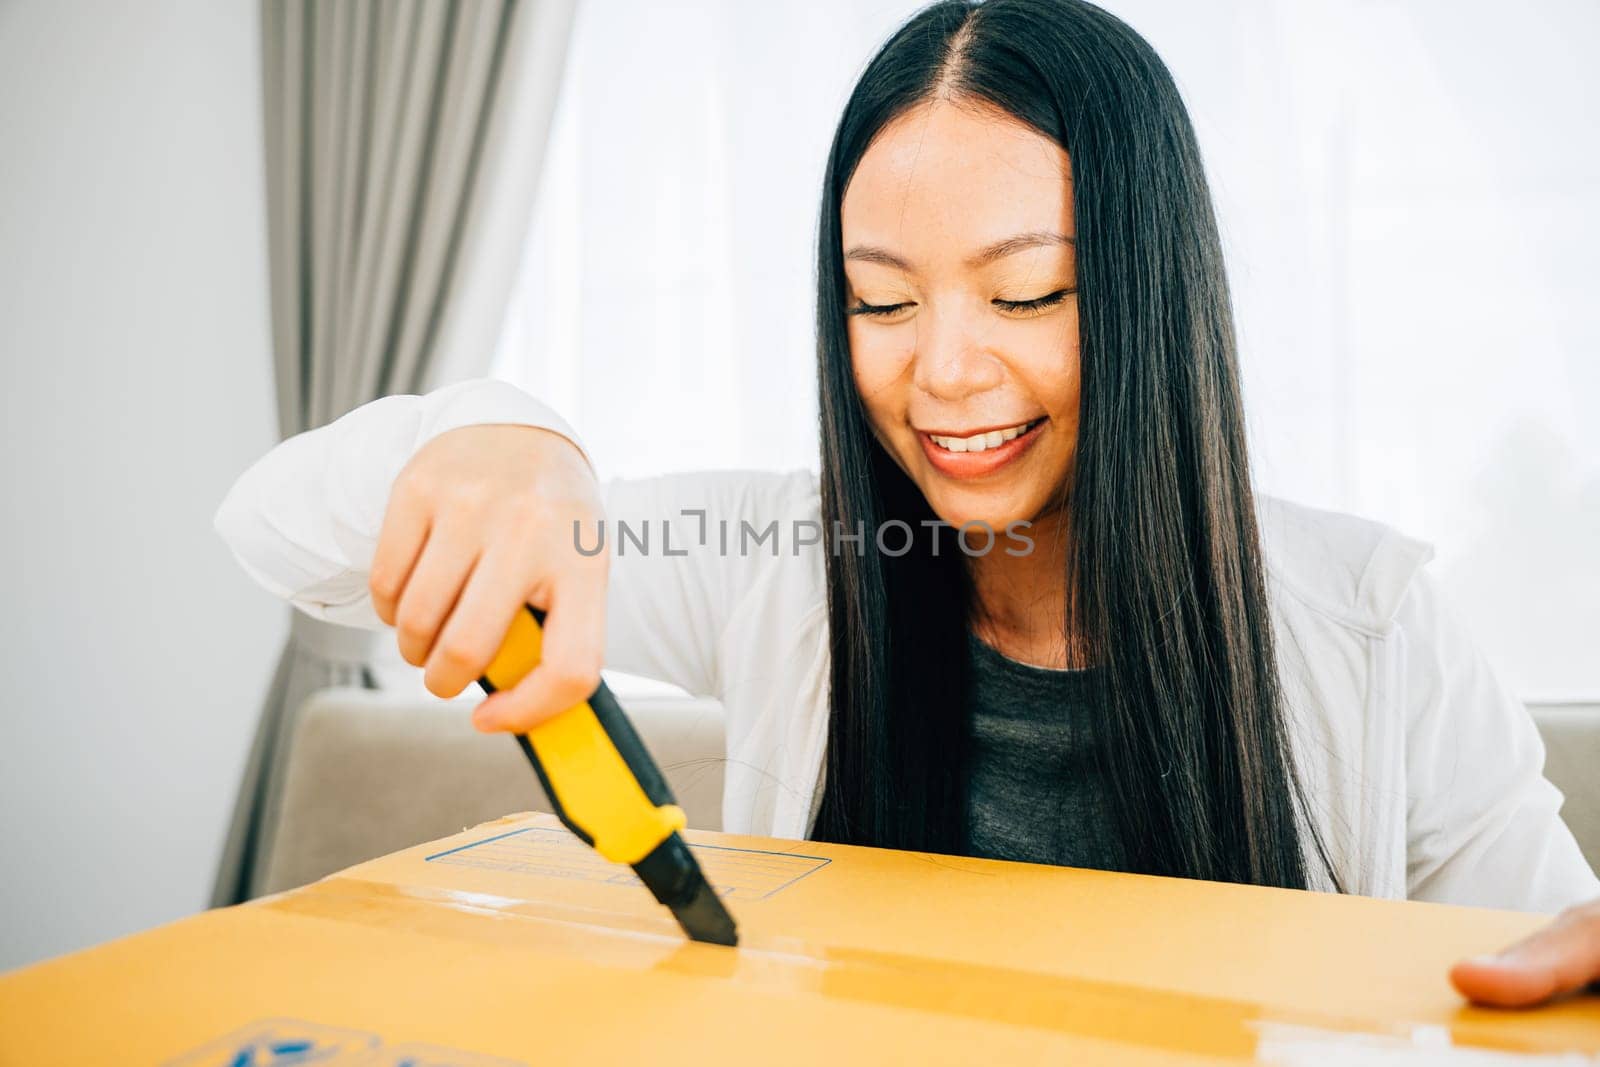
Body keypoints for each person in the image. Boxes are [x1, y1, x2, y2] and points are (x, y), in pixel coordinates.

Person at [215, 0, 1599, 1006]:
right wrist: (503, 444)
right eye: (880, 299)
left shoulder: (1374, 624)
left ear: (1152, 292)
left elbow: (1551, 951)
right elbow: (277, 530)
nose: (940, 372)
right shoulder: (786, 560)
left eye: (1027, 293)